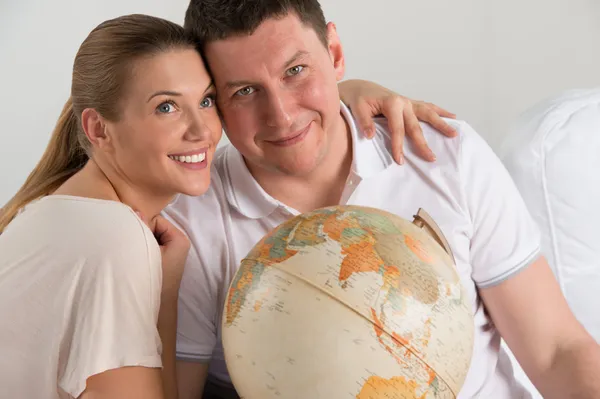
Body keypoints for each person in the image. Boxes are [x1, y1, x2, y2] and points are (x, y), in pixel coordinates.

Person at [0, 11, 458, 399]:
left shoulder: (52, 211)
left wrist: (166, 291)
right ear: (98, 129)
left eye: (206, 100)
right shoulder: (114, 240)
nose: (202, 130)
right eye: (166, 107)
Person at [167, 1, 600, 398]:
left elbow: (556, 351)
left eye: (295, 71)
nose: (281, 115)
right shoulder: (191, 221)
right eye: (244, 91)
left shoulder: (446, 154)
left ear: (335, 53)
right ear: (213, 102)